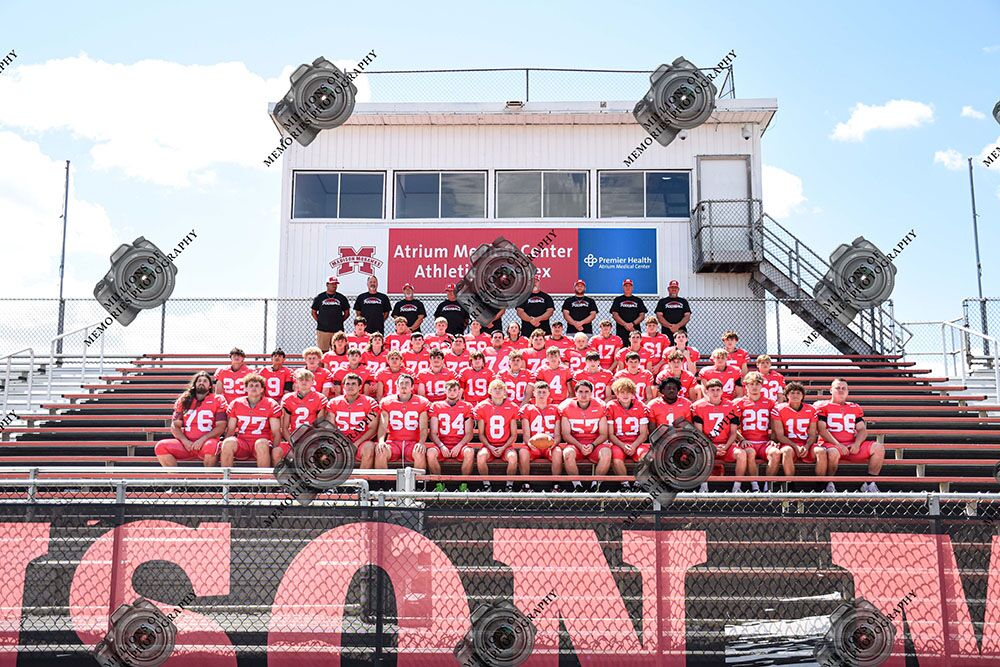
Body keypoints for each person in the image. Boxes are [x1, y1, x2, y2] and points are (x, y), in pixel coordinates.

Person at [815, 378, 885, 493]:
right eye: (837, 388)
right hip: (830, 444)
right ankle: (828, 482)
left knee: (878, 448)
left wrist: (857, 444)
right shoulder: (823, 406)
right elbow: (822, 430)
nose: (841, 390)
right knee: (832, 452)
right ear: (831, 390)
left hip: (850, 445)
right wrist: (838, 444)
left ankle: (869, 483)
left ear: (848, 391)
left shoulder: (854, 407)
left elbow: (862, 430)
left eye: (844, 388)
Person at [155, 371, 227, 467]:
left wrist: (202, 439)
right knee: (161, 446)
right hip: (187, 445)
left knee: (212, 445)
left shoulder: (217, 400)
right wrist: (185, 441)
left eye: (205, 381)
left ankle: (209, 476)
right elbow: (175, 426)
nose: (201, 383)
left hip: (206, 444)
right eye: (199, 381)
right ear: (195, 384)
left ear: (210, 386)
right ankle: (175, 476)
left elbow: (221, 426)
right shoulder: (184, 400)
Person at [218, 373, 281, 468]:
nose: (253, 388)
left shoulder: (271, 404)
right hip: (243, 443)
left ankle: (264, 477)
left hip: (262, 444)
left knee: (261, 444)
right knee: (228, 442)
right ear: (245, 388)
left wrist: (274, 451)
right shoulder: (237, 403)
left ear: (262, 389)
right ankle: (226, 477)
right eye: (251, 385)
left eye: (257, 385)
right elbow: (231, 430)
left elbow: (276, 432)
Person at [691, 379, 743, 493]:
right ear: (706, 391)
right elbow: (699, 433)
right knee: (701, 453)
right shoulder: (699, 406)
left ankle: (737, 487)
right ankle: (704, 487)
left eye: (718, 390)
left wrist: (725, 447)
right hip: (707, 444)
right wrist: (712, 447)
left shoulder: (731, 406)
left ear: (722, 391)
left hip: (726, 445)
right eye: (712, 390)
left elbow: (733, 432)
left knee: (741, 454)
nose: (715, 392)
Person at [559, 380, 609, 491]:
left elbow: (604, 434)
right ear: (576, 393)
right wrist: (580, 446)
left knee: (606, 453)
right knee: (568, 453)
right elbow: (566, 434)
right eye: (580, 391)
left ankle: (596, 484)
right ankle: (577, 485)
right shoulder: (567, 407)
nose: (583, 395)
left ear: (591, 393)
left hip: (595, 443)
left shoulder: (600, 406)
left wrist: (593, 445)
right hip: (575, 443)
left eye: (587, 391)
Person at [771, 381, 826, 482]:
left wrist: (807, 446)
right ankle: (790, 484)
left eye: (798, 393)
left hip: (806, 443)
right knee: (787, 451)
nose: (795, 395)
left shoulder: (811, 409)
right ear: (787, 395)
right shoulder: (779, 409)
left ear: (803, 396)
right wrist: (795, 446)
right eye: (792, 393)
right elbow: (780, 435)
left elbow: (812, 434)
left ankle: (821, 485)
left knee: (821, 451)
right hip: (788, 443)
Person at [375, 374, 431, 469]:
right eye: (401, 383)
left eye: (407, 383)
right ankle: (382, 479)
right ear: (397, 386)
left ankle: (419, 479)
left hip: (413, 443)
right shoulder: (387, 402)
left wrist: (421, 442)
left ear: (412, 387)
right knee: (381, 451)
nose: (404, 385)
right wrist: (381, 441)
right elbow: (383, 426)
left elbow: (423, 428)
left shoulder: (421, 402)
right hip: (393, 443)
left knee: (419, 451)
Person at [474, 379, 521, 491]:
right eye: (495, 388)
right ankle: (486, 484)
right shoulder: (483, 406)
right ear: (489, 391)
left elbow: (514, 435)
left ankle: (509, 485)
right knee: (481, 456)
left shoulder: (512, 406)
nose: (498, 391)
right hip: (488, 446)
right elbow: (481, 434)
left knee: (513, 457)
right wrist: (490, 447)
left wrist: (503, 447)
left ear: (505, 391)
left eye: (500, 388)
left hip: (506, 446)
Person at [428, 380, 476, 488]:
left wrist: (459, 446)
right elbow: (433, 433)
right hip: (442, 443)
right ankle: (439, 484)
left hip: (460, 444)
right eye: (450, 390)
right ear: (445, 391)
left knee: (469, 452)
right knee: (430, 453)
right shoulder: (436, 406)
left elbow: (469, 433)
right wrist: (442, 446)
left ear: (459, 391)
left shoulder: (466, 406)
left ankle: (464, 484)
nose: (452, 392)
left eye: (455, 390)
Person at [326, 372, 378, 469]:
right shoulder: (334, 403)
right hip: (339, 441)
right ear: (343, 386)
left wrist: (356, 443)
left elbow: (373, 429)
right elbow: (330, 427)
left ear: (360, 387)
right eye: (347, 384)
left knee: (369, 448)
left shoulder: (370, 402)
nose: (350, 386)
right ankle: (333, 478)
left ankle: (363, 478)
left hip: (361, 442)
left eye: (353, 384)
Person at [732, 371, 774, 492]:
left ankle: (767, 486)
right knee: (749, 452)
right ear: (746, 385)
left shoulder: (770, 402)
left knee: (775, 453)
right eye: (751, 384)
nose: (754, 387)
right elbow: (732, 427)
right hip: (747, 440)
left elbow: (775, 425)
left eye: (757, 384)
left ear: (762, 385)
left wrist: (773, 439)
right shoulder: (738, 402)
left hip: (764, 442)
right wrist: (741, 439)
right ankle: (755, 486)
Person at [276, 369, 328, 466]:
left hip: (312, 439)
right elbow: (284, 428)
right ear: (296, 381)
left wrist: (308, 443)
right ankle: (272, 477)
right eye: (301, 379)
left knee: (317, 454)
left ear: (313, 382)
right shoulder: (288, 398)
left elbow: (320, 426)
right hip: (293, 439)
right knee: (276, 452)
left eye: (307, 379)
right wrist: (294, 443)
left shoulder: (320, 398)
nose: (304, 382)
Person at [519, 382, 564, 490]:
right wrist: (530, 444)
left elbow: (558, 435)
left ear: (549, 393)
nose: (541, 395)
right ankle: (525, 484)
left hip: (550, 446)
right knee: (523, 452)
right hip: (533, 446)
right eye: (539, 392)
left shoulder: (555, 409)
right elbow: (526, 435)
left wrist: (553, 444)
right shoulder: (527, 409)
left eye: (544, 392)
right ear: (534, 393)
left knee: (558, 452)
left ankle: (556, 485)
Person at [605, 378, 648, 487]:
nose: (625, 395)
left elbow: (644, 433)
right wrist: (623, 445)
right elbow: (610, 434)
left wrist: (634, 445)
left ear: (633, 394)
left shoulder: (640, 405)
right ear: (616, 393)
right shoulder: (611, 406)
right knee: (616, 459)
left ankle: (639, 484)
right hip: (618, 443)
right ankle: (625, 484)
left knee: (646, 456)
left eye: (628, 392)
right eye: (622, 392)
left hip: (636, 442)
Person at [311, 276, 351, 350]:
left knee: (338, 350)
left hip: (337, 330)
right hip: (323, 330)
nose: (334, 286)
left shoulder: (341, 298)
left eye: (335, 284)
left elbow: (347, 313)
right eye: (332, 284)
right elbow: (313, 312)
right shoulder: (319, 297)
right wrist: (320, 321)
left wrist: (340, 321)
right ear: (327, 284)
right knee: (323, 351)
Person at [610, 279, 648, 345]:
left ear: (632, 287)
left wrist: (632, 324)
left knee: (636, 348)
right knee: (622, 348)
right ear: (623, 287)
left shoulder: (638, 300)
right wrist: (625, 324)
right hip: (621, 330)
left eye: (630, 286)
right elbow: (614, 314)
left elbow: (642, 315)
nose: (628, 287)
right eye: (626, 286)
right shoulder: (618, 300)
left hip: (634, 329)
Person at [654, 279, 692, 343]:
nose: (674, 289)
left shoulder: (684, 301)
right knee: (667, 347)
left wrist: (678, 326)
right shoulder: (662, 301)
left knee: (681, 347)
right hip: (666, 330)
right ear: (668, 289)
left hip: (681, 330)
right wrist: (670, 326)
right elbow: (659, 316)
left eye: (675, 287)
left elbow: (687, 316)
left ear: (678, 289)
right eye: (672, 287)